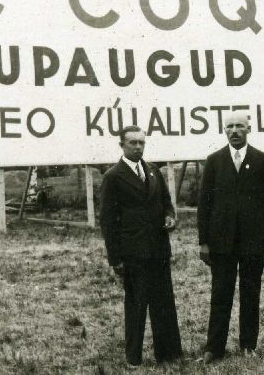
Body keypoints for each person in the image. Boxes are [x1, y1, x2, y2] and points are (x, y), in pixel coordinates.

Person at [197, 111, 264, 362]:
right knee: (220, 294)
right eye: (230, 127)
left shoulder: (262, 160)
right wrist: (204, 242)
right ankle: (214, 348)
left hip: (253, 241)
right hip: (221, 242)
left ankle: (248, 345)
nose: (234, 131)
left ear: (248, 129)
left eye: (239, 126)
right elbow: (205, 204)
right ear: (225, 130)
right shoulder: (214, 161)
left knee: (250, 293)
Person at [100, 126, 182, 368]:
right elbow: (107, 221)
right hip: (133, 252)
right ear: (122, 145)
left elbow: (166, 203)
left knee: (164, 302)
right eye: (133, 143)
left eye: (141, 143)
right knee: (136, 305)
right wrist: (115, 258)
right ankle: (133, 358)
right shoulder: (113, 176)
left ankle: (168, 354)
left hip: (158, 249)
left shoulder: (153, 171)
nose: (138, 147)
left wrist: (170, 217)